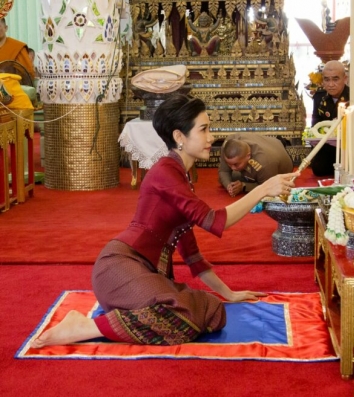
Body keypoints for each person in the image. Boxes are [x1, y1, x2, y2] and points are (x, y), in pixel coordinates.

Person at [31, 95, 298, 348]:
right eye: (203, 130)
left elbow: (191, 253)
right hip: (119, 267)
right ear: (179, 137)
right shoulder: (165, 173)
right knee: (179, 318)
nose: (211, 137)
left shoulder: (180, 175)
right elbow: (213, 221)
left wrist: (228, 294)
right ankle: (87, 327)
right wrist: (262, 189)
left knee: (213, 312)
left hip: (147, 274)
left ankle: (126, 312)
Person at [218, 133, 294, 197]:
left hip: (282, 162)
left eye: (236, 164)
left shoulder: (265, 163)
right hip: (268, 146)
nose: (232, 168)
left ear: (248, 156)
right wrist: (229, 186)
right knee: (226, 180)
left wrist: (244, 186)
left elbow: (267, 187)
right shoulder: (227, 145)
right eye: (229, 164)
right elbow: (224, 171)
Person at [310, 60, 349, 176]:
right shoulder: (319, 97)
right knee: (318, 169)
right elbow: (315, 122)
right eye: (327, 80)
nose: (331, 84)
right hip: (326, 145)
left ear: (345, 79)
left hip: (346, 146)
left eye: (335, 79)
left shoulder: (352, 96)